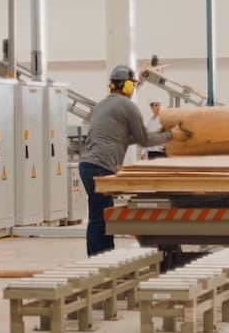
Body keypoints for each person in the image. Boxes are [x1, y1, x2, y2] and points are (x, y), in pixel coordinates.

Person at [79, 65, 185, 256]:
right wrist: (171, 135)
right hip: (100, 166)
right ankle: (99, 259)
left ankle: (102, 256)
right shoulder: (128, 106)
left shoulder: (102, 104)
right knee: (100, 216)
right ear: (127, 86)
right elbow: (144, 140)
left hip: (87, 165)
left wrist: (158, 135)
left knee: (100, 213)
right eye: (133, 86)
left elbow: (130, 138)